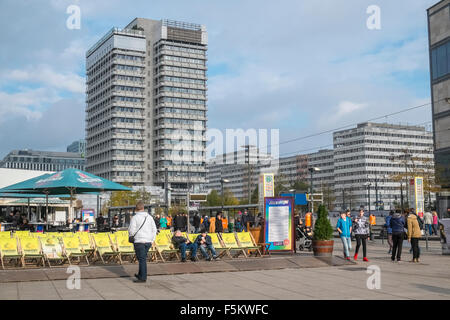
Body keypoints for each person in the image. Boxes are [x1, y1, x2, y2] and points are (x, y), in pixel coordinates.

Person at [128, 201, 157, 283]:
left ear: (136, 209)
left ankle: (143, 277)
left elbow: (131, 230)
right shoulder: (149, 217)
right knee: (142, 258)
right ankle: (140, 274)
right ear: (143, 208)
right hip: (148, 241)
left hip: (139, 241)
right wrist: (152, 240)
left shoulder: (135, 218)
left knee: (141, 259)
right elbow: (154, 229)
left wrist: (131, 235)